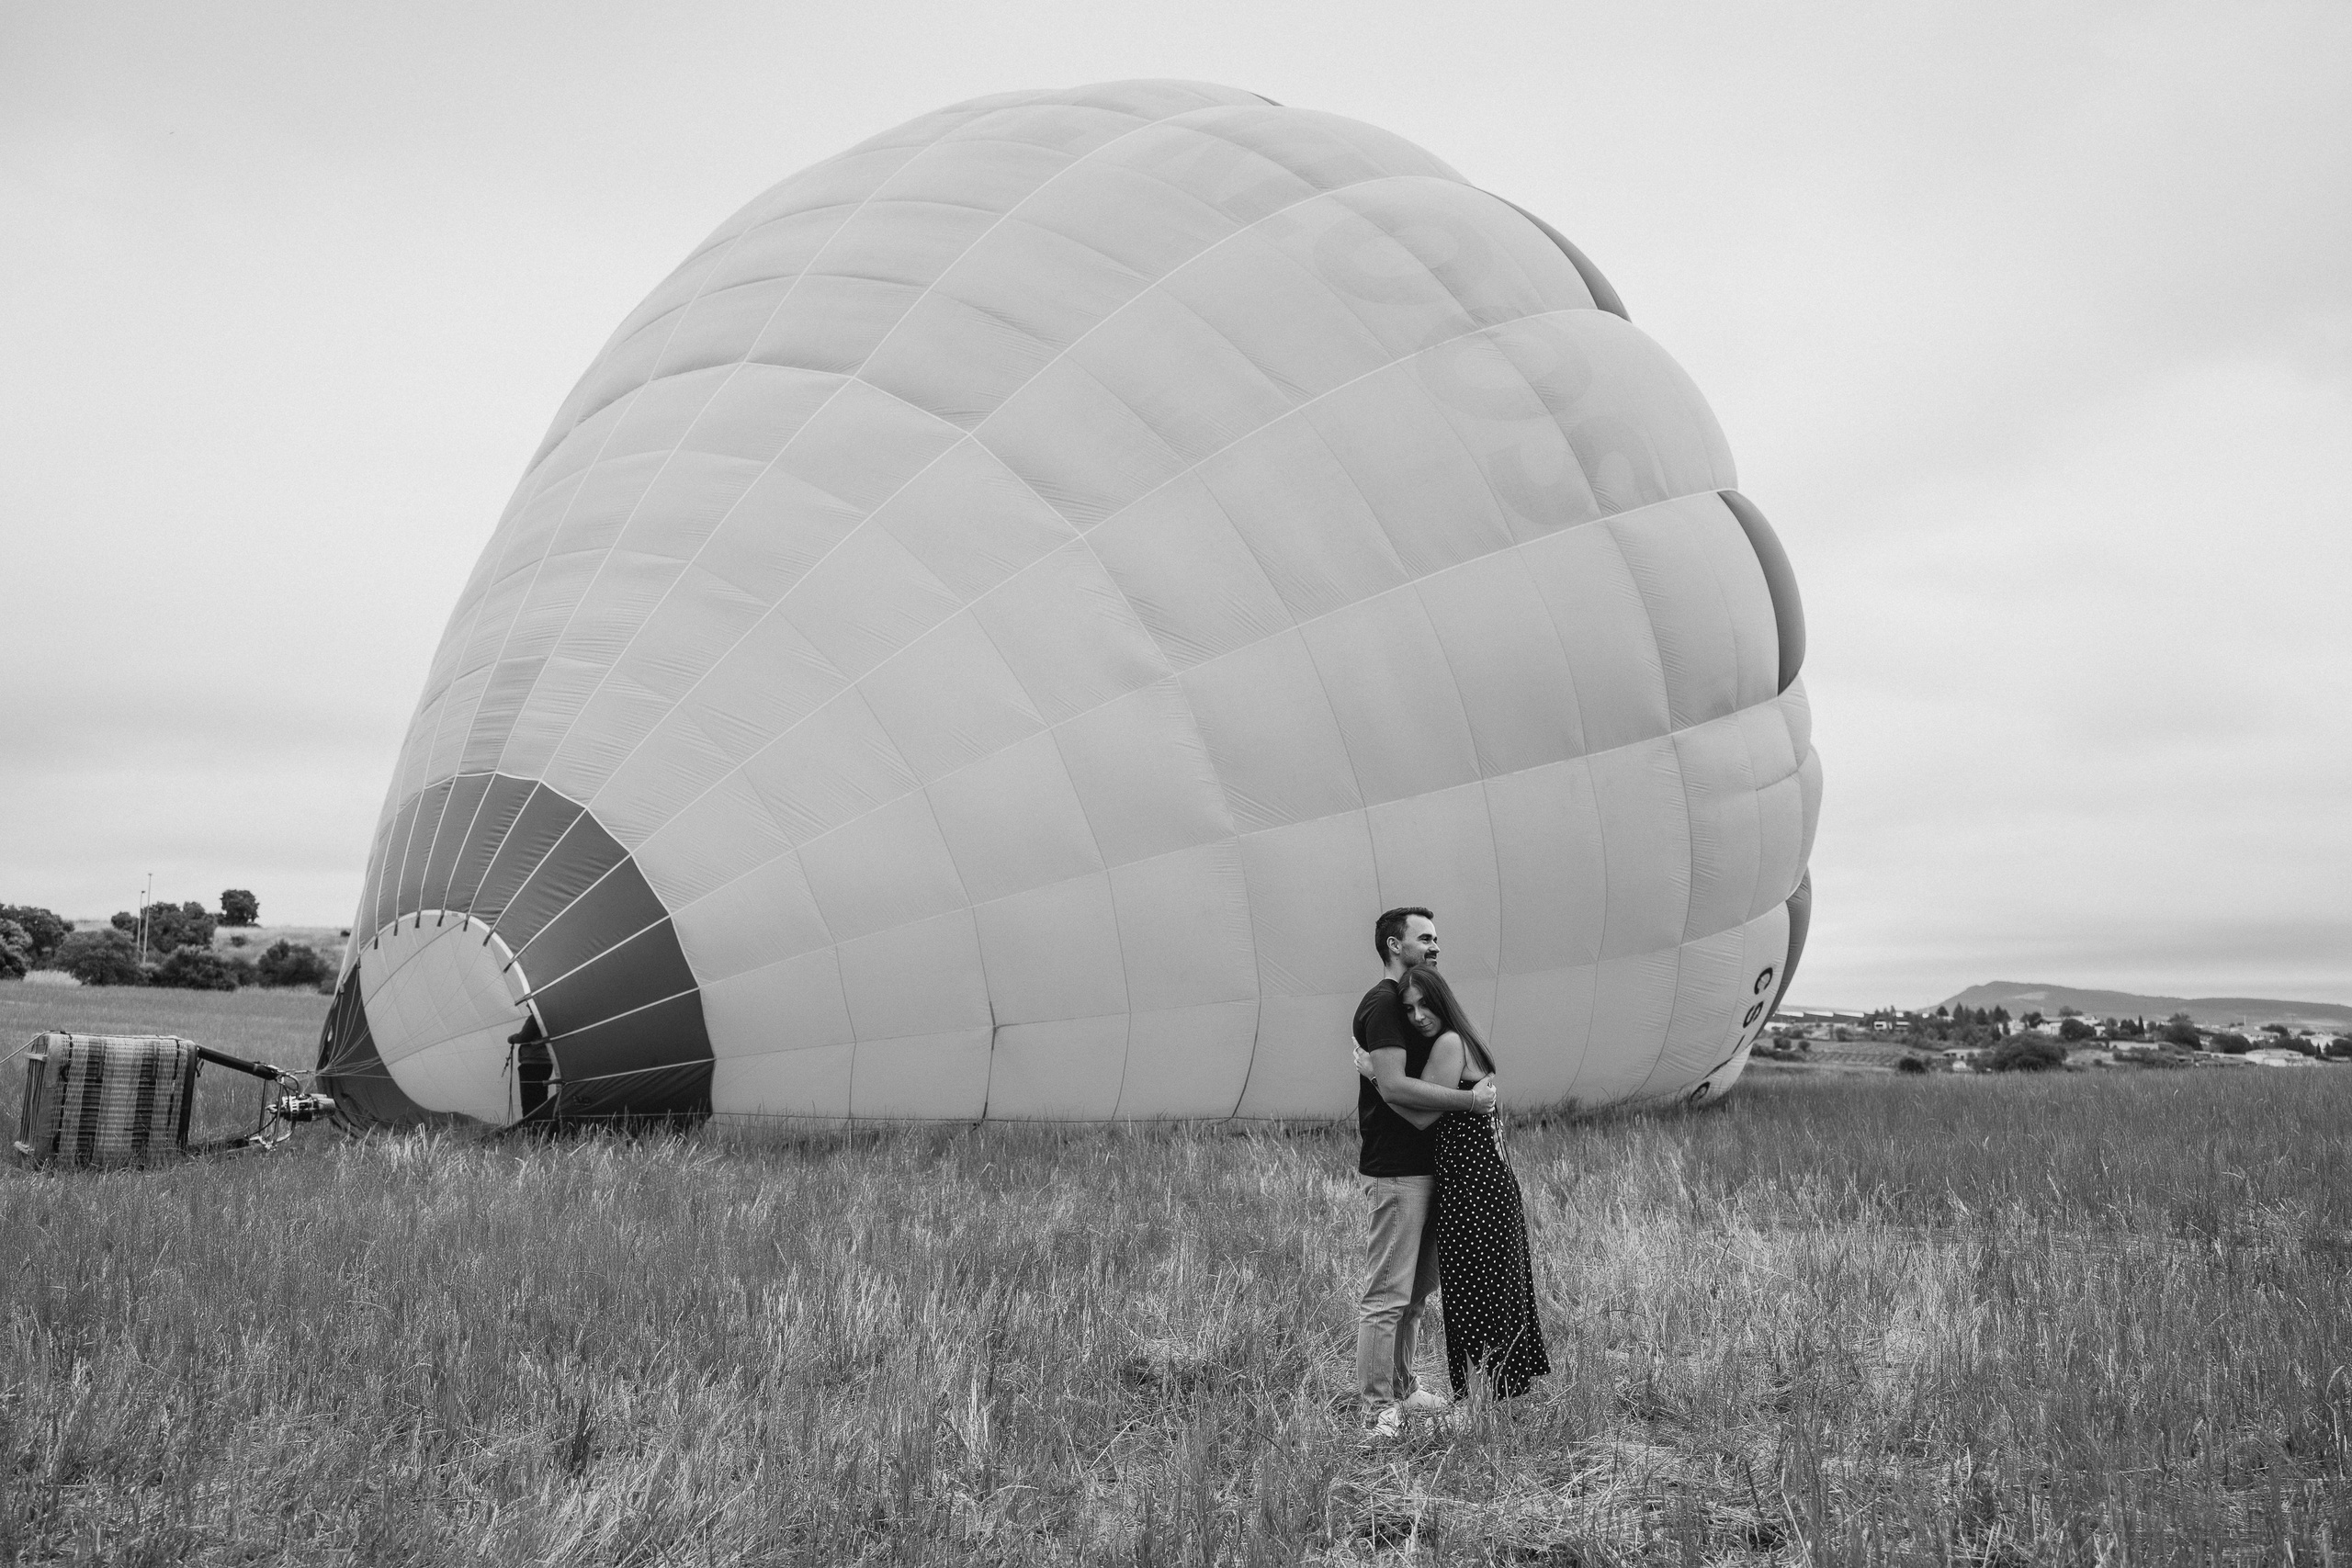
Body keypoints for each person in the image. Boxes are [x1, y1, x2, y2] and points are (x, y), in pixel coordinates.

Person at [1352, 907, 1498, 1436]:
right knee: (1387, 1296)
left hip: (1432, 1167)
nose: (1435, 946)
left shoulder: (1406, 1002)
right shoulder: (1385, 1003)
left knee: (1414, 1295)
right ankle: (1376, 1410)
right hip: (1398, 1170)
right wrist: (1469, 1100)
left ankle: (1403, 1387)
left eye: (1437, 938)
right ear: (1395, 945)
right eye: (1426, 938)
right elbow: (1393, 1087)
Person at [1392, 963, 1550, 1404]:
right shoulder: (1469, 1036)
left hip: (1471, 1189)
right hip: (1492, 1184)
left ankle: (1476, 1403)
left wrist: (1378, 1078)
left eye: (1425, 1004)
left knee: (1473, 1296)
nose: (1418, 1015)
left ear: (1442, 1001)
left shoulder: (1447, 1044)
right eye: (1409, 1009)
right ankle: (1489, 1398)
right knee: (1494, 1290)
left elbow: (1422, 1114)